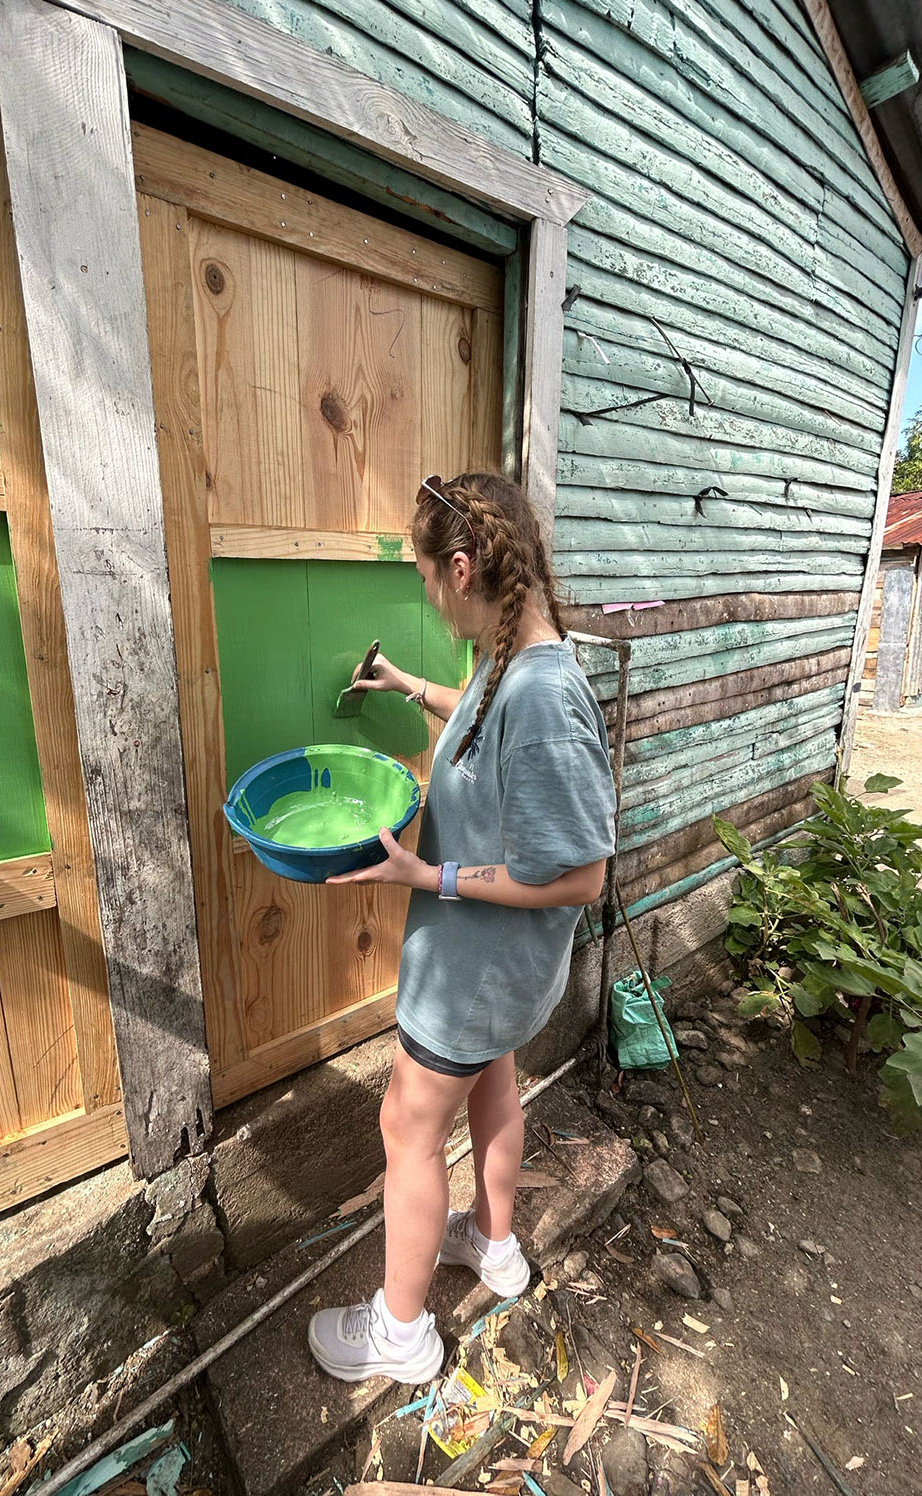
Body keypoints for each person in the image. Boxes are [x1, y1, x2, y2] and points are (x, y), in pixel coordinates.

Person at [307, 471, 617, 1385]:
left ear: (462, 564)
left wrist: (426, 873)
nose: (427, 596)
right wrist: (410, 687)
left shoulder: (543, 698)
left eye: (425, 578)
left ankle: (400, 1334)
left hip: (475, 972)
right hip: (506, 979)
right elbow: (484, 725)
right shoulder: (510, 652)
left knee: (406, 1127)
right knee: (494, 1093)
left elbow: (581, 876)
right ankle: (494, 1246)